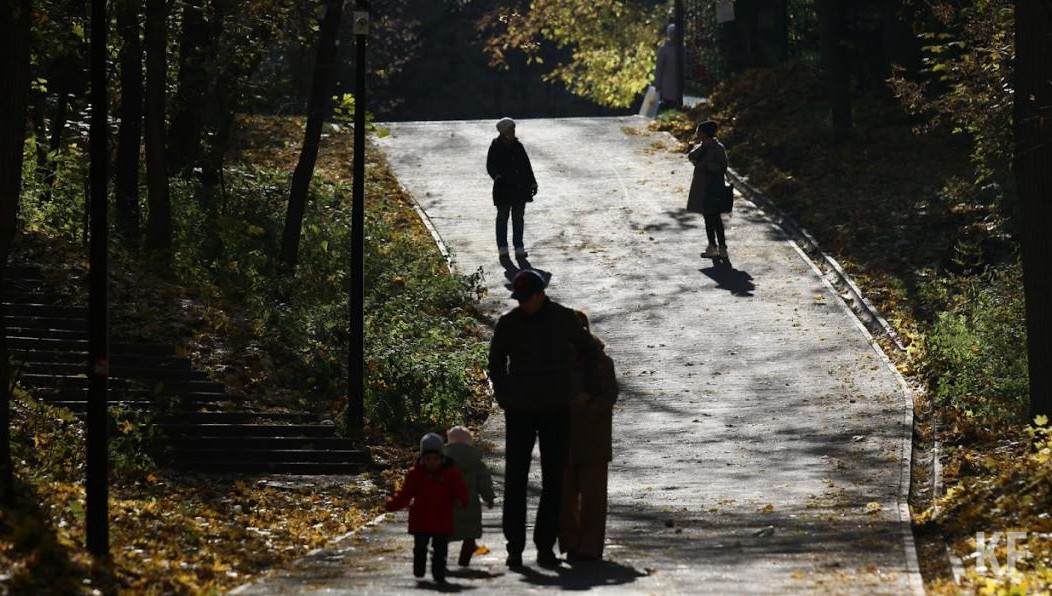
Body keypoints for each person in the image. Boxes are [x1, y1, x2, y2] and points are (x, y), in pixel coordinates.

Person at [488, 269, 599, 568]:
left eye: (526, 299)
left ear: (540, 295)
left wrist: (587, 389)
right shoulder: (509, 324)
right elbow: (495, 363)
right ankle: (514, 546)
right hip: (520, 410)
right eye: (519, 299)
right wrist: (505, 397)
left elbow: (591, 350)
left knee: (554, 480)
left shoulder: (563, 318)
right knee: (515, 480)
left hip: (555, 409)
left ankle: (545, 547)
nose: (522, 304)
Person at [559, 310, 618, 562]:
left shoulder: (601, 361)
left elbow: (609, 395)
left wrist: (588, 406)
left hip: (593, 437)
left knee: (593, 499)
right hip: (562, 438)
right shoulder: (554, 362)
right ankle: (571, 542)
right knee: (564, 498)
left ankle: (590, 547)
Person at [385, 432, 469, 584]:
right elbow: (405, 494)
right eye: (428, 459)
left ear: (441, 457)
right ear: (422, 458)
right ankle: (419, 569)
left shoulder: (450, 474)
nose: (432, 462)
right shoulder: (415, 474)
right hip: (421, 519)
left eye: (435, 459)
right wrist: (392, 504)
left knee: (440, 551)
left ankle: (439, 573)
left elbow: (459, 490)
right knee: (420, 548)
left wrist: (462, 500)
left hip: (442, 519)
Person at [444, 425, 496, 567]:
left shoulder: (442, 462)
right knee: (470, 532)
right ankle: (466, 554)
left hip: (447, 505)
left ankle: (440, 556)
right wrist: (489, 498)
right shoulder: (476, 463)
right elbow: (484, 483)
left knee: (444, 533)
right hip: (470, 504)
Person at [486, 117, 538, 259]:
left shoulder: (518, 146)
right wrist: (497, 177)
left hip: (519, 188)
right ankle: (502, 247)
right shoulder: (496, 146)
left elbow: (526, 166)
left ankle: (519, 246)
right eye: (510, 129)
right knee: (502, 217)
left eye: (513, 129)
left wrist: (532, 182)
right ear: (503, 131)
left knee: (518, 218)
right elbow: (490, 165)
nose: (513, 131)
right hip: (502, 189)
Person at [686, 120, 730, 259]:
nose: (697, 133)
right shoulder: (702, 146)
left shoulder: (718, 148)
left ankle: (721, 247)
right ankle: (712, 246)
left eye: (699, 131)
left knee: (715, 219)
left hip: (714, 188)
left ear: (705, 133)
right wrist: (702, 147)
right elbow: (691, 156)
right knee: (708, 219)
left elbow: (723, 167)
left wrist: (705, 166)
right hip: (702, 188)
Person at [654, 24, 682, 111]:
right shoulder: (663, 50)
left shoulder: (681, 48)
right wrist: (657, 83)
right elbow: (659, 68)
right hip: (667, 84)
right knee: (668, 106)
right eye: (672, 33)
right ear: (669, 34)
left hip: (679, 84)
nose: (674, 35)